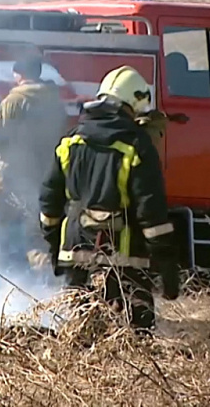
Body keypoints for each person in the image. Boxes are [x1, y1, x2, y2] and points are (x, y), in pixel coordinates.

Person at [38, 65, 180, 334]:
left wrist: (55, 249)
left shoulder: (70, 141)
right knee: (135, 335)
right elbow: (152, 216)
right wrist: (168, 269)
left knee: (79, 331)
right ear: (134, 104)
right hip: (126, 259)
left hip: (76, 251)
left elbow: (49, 203)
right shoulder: (137, 146)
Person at [0, 53, 70, 277]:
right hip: (42, 177)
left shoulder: (15, 100)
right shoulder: (54, 101)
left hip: (9, 177)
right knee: (36, 239)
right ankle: (51, 289)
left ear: (18, 74)